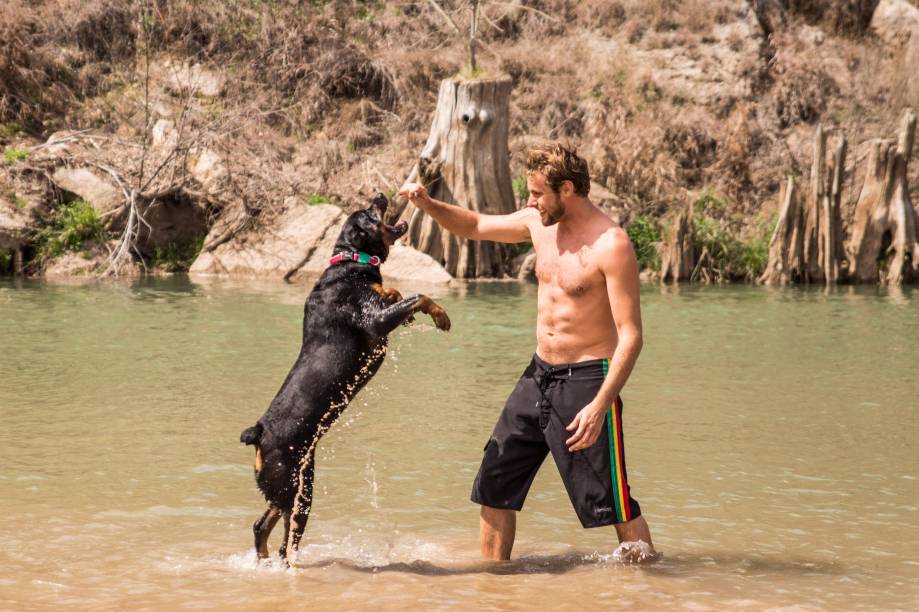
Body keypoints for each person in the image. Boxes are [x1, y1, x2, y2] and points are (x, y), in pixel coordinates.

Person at [399, 142, 656, 563]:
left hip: (588, 381)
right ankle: (492, 589)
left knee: (612, 502)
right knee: (494, 484)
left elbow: (631, 336)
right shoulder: (539, 224)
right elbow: (476, 225)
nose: (530, 201)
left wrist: (599, 406)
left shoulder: (612, 245)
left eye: (537, 193)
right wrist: (428, 204)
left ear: (567, 189)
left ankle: (651, 589)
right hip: (537, 376)